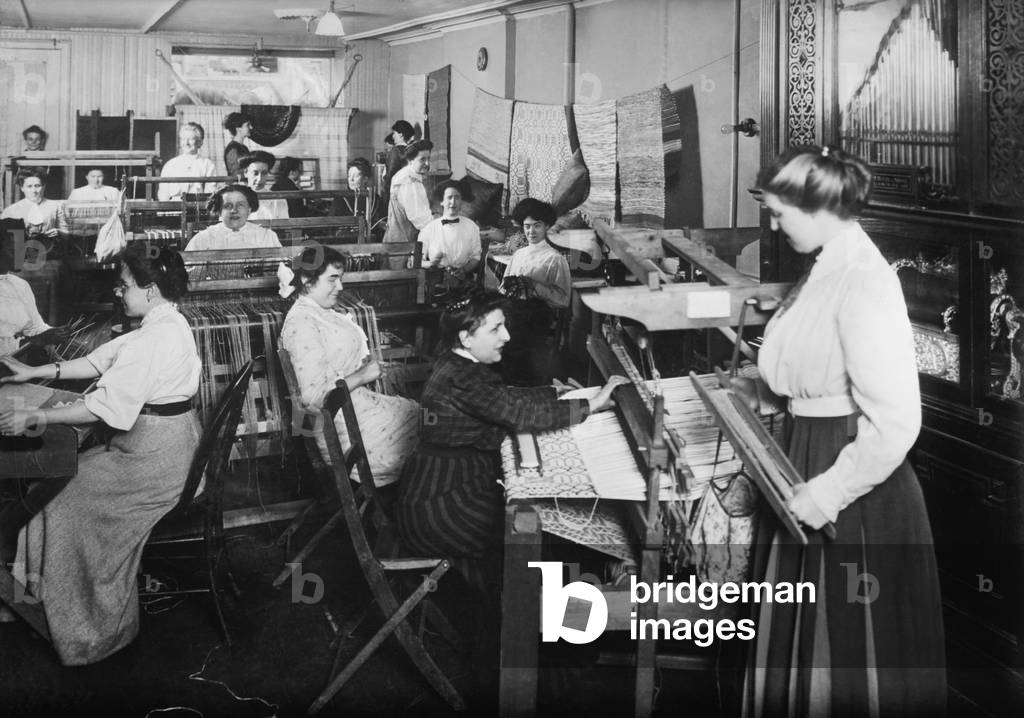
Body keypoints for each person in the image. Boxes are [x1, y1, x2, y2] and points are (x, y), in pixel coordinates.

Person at [744, 145, 945, 717]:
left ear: (819, 208)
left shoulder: (863, 279)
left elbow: (898, 420)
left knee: (846, 646)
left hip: (849, 480)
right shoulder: (827, 263)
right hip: (808, 451)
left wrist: (828, 492)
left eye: (782, 214)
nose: (776, 226)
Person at [0, 244, 201, 666]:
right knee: (55, 483)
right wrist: (39, 371)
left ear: (149, 290)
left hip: (154, 460)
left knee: (62, 502)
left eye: (124, 285)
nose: (118, 292)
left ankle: (92, 633)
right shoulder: (164, 323)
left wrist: (34, 416)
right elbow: (100, 360)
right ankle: (38, 596)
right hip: (156, 444)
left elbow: (99, 407)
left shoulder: (157, 337)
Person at [395, 290, 626, 591]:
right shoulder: (463, 378)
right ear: (466, 338)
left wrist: (555, 393)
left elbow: (503, 397)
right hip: (440, 510)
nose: (506, 336)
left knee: (536, 522)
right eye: (495, 329)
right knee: (533, 531)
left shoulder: (457, 364)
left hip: (443, 488)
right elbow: (516, 412)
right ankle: (543, 609)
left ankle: (584, 580)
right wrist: (590, 405)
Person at [278, 245, 419, 486]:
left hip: (356, 413)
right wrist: (363, 375)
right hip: (345, 430)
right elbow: (313, 398)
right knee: (440, 431)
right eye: (332, 279)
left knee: (430, 417)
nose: (340, 287)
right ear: (306, 280)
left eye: (340, 279)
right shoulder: (301, 323)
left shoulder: (319, 312)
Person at [498, 198, 571, 386]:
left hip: (539, 318)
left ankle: (517, 384)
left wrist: (534, 286)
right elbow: (503, 289)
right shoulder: (519, 255)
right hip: (514, 313)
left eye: (537, 226)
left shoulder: (555, 259)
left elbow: (563, 300)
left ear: (546, 226)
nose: (531, 232)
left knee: (511, 338)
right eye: (527, 226)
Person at [0, 220, 61, 357]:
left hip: (21, 363)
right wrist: (33, 341)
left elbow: (35, 327)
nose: (23, 255)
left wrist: (53, 333)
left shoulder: (20, 284)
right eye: (14, 250)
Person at [419, 179, 481, 296]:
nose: (453, 202)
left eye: (457, 197)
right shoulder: (429, 229)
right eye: (449, 197)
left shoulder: (472, 227)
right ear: (442, 201)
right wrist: (431, 263)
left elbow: (476, 257)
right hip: (436, 284)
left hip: (463, 282)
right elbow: (418, 262)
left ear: (461, 200)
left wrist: (464, 270)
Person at [184, 184, 281, 251]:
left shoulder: (266, 236)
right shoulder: (203, 239)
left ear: (249, 209)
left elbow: (281, 270)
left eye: (240, 205)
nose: (234, 210)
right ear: (219, 211)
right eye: (228, 206)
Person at [1, 169, 67, 254]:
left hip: (50, 253)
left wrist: (59, 232)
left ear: (43, 186)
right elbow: (3, 240)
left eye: (37, 186)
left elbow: (67, 233)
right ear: (22, 188)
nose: (34, 191)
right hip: (20, 257)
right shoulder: (11, 210)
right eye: (29, 186)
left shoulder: (55, 206)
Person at [384, 139, 433, 250]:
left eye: (429, 159)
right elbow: (420, 220)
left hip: (399, 241)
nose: (427, 163)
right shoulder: (408, 182)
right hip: (404, 245)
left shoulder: (408, 175)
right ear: (410, 160)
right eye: (422, 159)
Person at [157, 122, 217, 201]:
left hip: (198, 210)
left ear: (200, 142)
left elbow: (210, 193)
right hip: (173, 210)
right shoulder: (170, 164)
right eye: (183, 139)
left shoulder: (208, 164)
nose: (186, 143)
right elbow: (163, 194)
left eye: (191, 139)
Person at [240, 151, 289, 220]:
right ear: (245, 172)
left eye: (264, 173)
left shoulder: (278, 201)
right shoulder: (236, 199)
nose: (259, 179)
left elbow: (283, 229)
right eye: (255, 173)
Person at [382, 120, 414, 210]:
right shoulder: (412, 150)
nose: (393, 136)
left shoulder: (395, 151)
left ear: (401, 135)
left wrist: (385, 186)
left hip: (394, 192)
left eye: (394, 133)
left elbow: (391, 173)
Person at [345, 157, 383, 234]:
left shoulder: (376, 200)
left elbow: (381, 224)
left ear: (365, 178)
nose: (351, 180)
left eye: (355, 176)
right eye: (349, 176)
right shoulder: (341, 199)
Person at [222, 112, 253, 178]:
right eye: (247, 125)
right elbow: (235, 173)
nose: (251, 127)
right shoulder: (232, 148)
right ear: (238, 129)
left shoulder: (244, 148)